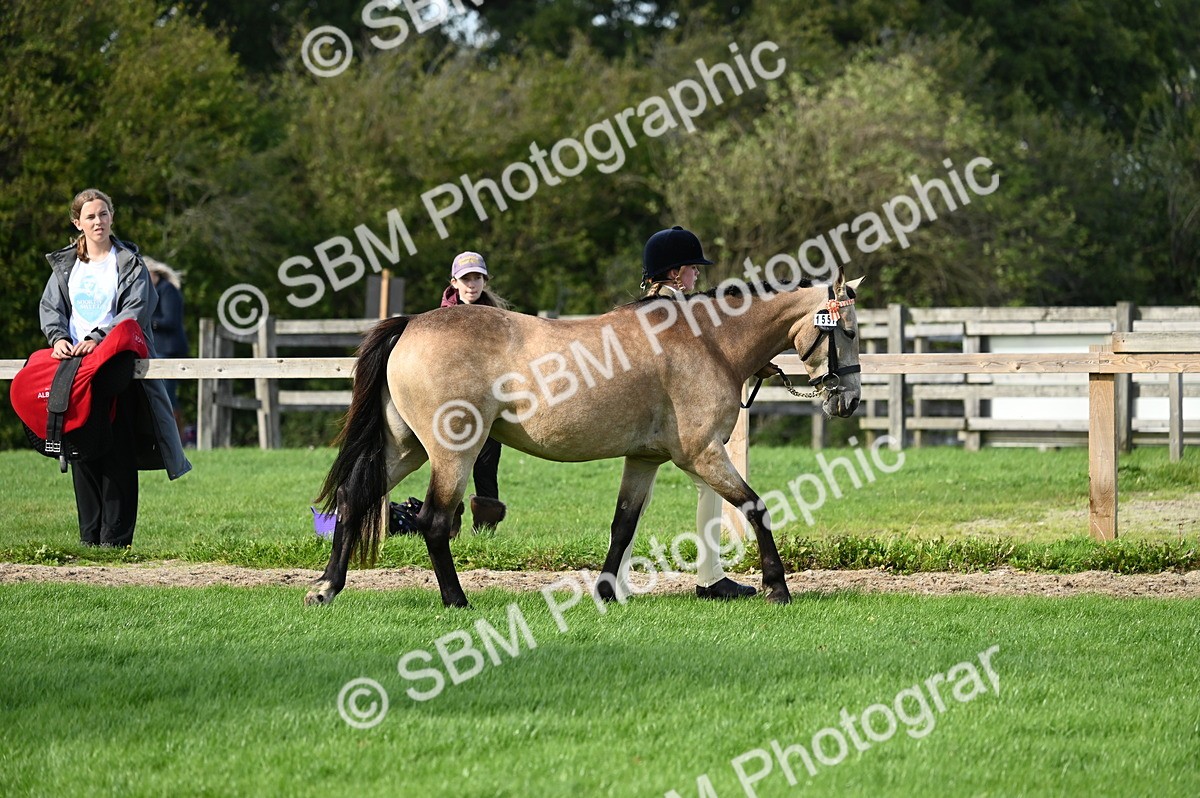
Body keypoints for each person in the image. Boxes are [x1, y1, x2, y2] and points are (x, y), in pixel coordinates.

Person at [39, 188, 191, 547]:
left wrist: (98, 336)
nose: (98, 221)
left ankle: (116, 539)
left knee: (116, 447)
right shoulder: (67, 266)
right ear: (77, 222)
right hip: (74, 367)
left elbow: (135, 311)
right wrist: (58, 336)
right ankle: (89, 538)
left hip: (115, 361)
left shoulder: (129, 263)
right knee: (80, 447)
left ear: (112, 218)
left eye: (103, 214)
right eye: (90, 216)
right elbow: (51, 308)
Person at [640, 226, 757, 599]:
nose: (698, 275)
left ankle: (618, 577)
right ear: (675, 272)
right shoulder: (671, 311)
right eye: (693, 268)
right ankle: (709, 576)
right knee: (702, 486)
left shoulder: (656, 307)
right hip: (667, 420)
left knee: (639, 498)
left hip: (654, 419)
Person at [440, 251, 508, 532]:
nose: (472, 284)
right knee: (449, 466)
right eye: (466, 278)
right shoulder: (439, 320)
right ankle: (448, 526)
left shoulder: (498, 318)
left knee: (486, 465)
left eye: (478, 278)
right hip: (449, 405)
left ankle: (485, 533)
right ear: (454, 282)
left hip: (488, 403)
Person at [145, 257, 189, 438]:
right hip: (158, 349)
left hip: (168, 349)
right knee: (162, 396)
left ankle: (176, 437)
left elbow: (170, 321)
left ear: (154, 273)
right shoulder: (155, 291)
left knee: (168, 397)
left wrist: (147, 322)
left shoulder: (167, 290)